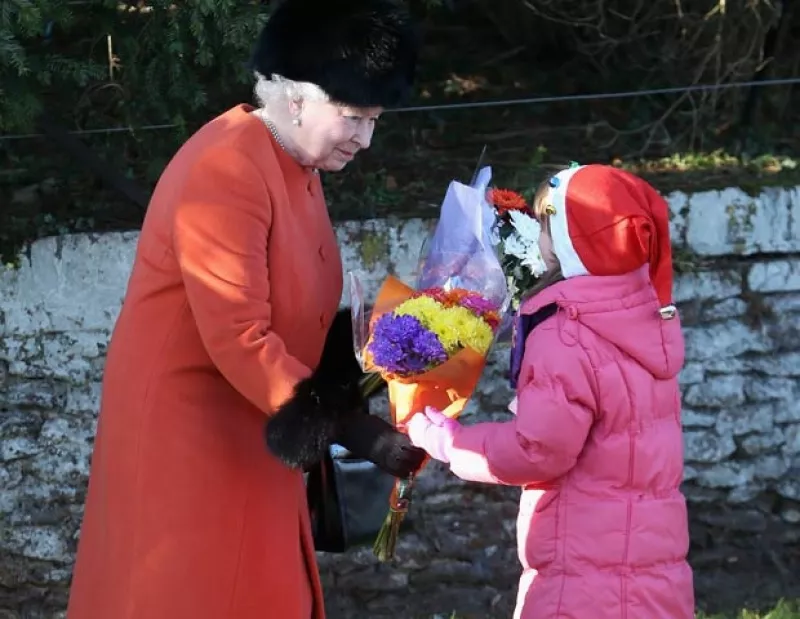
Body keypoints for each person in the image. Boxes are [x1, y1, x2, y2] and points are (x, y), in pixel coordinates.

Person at [65, 1, 425, 618]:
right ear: (295, 98)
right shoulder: (228, 165)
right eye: (353, 118)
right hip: (192, 441)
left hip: (252, 425)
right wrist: (351, 427)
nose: (366, 140)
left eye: (374, 120)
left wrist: (371, 361)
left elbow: (291, 302)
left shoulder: (294, 157)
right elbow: (238, 332)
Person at [406, 164, 695, 619]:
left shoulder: (565, 332)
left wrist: (450, 442)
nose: (540, 235)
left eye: (545, 223)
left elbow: (537, 450)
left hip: (582, 583)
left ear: (571, 240)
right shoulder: (646, 318)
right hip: (653, 584)